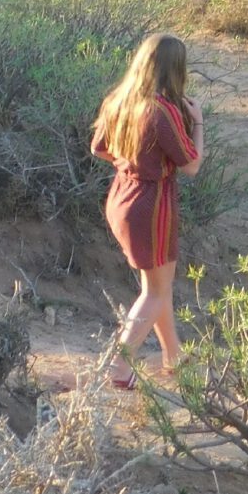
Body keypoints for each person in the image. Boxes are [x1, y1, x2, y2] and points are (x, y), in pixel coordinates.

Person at [91, 32, 205, 389]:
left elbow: (99, 148)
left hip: (122, 196)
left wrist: (132, 162)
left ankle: (173, 355)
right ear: (175, 70)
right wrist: (199, 123)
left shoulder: (119, 100)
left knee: (158, 286)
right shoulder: (163, 111)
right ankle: (119, 369)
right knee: (154, 291)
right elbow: (192, 166)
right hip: (151, 205)